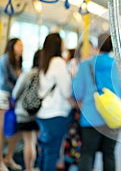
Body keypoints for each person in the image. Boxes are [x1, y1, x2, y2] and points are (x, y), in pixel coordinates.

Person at [72, 32, 121, 171]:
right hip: (113, 117)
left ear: (97, 46)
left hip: (90, 117)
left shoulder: (86, 65)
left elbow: (77, 91)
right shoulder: (118, 66)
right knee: (109, 155)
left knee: (87, 154)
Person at [36, 33, 71, 171]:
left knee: (44, 151)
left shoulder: (45, 61)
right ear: (58, 44)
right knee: (52, 153)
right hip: (56, 114)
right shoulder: (58, 62)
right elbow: (66, 90)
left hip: (43, 113)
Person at [12, 50, 41, 171]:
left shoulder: (28, 74)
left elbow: (15, 92)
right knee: (33, 140)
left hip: (24, 111)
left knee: (28, 141)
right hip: (38, 113)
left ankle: (28, 168)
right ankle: (34, 166)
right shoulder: (44, 75)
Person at [0, 38, 23, 171]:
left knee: (16, 128)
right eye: (19, 45)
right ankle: (0, 160)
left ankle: (9, 157)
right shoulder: (4, 60)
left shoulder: (18, 62)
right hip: (4, 96)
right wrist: (16, 88)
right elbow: (3, 82)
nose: (21, 48)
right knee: (2, 129)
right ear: (12, 45)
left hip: (14, 98)